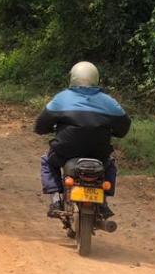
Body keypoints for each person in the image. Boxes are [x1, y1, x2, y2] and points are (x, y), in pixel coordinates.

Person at [35, 61, 130, 218]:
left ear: (72, 78)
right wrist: (115, 133)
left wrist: (46, 129)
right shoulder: (109, 102)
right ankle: (103, 201)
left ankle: (56, 200)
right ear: (96, 79)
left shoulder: (61, 99)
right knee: (109, 164)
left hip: (66, 152)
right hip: (99, 153)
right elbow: (124, 126)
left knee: (47, 161)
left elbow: (41, 125)